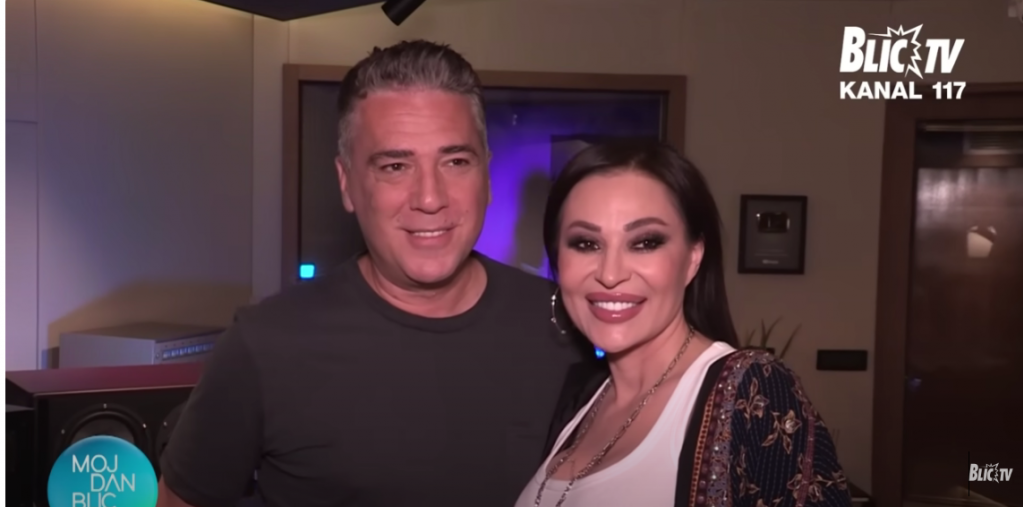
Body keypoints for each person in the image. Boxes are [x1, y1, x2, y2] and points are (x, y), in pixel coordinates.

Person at [157, 40, 592, 507]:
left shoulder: (567, 326)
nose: (430, 198)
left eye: (455, 161)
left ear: (485, 174)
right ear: (347, 184)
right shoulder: (265, 346)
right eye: (395, 166)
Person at [515, 141, 852, 507]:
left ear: (693, 257)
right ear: (557, 260)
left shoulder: (754, 394)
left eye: (645, 242)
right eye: (586, 243)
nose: (610, 274)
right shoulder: (581, 396)